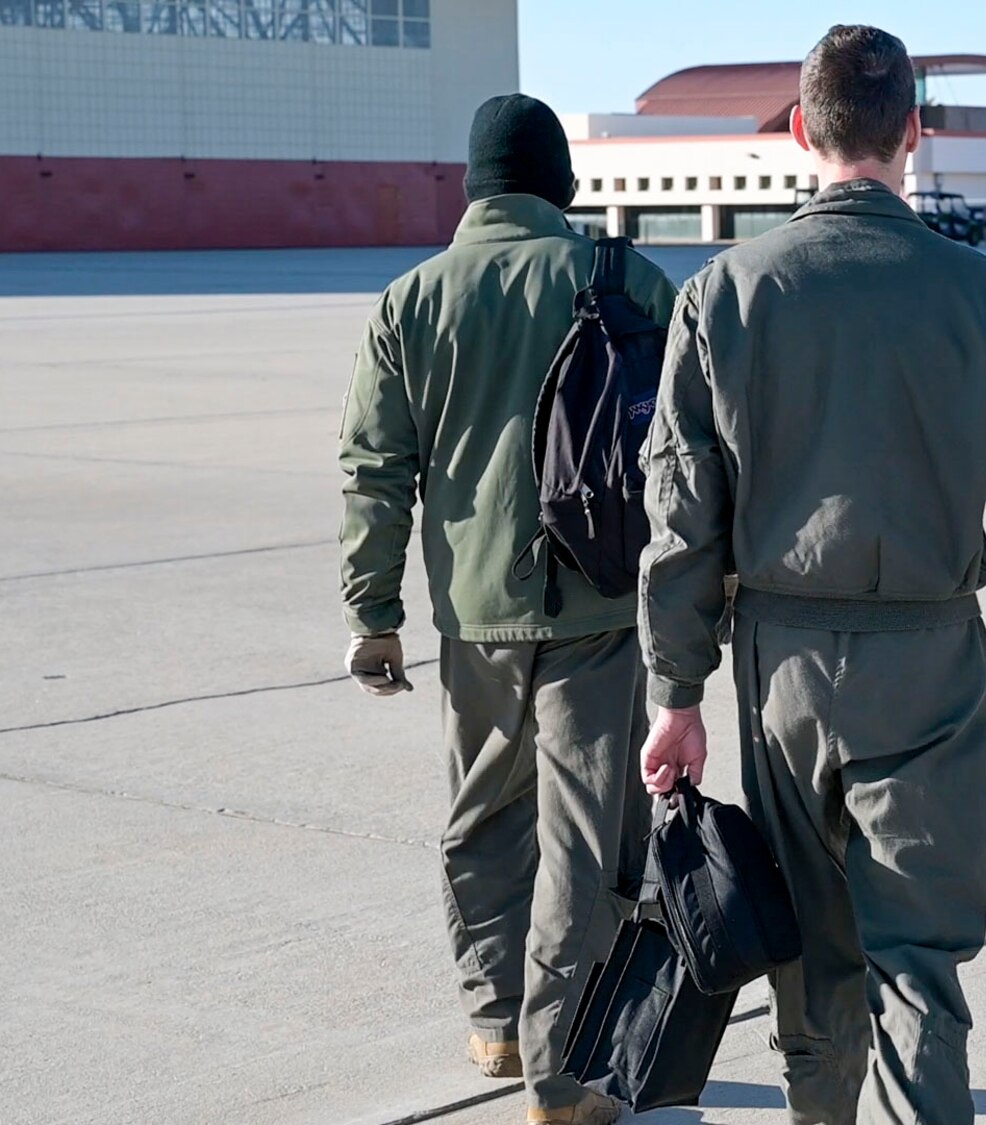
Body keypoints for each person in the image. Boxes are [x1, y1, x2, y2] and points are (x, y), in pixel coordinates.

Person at [636, 25, 986, 1125]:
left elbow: (680, 513)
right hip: (930, 662)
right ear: (913, 136)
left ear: (801, 131)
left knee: (813, 955)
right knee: (919, 965)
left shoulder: (723, 294)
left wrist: (675, 690)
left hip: (781, 668)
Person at [338, 94, 675, 1125]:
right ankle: (564, 1066)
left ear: (475, 185)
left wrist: (374, 610)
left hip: (473, 611)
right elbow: (694, 449)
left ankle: (492, 1020)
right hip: (600, 604)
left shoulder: (412, 300)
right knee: (592, 837)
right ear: (558, 181)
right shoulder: (625, 279)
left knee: (481, 814)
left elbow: (375, 467)